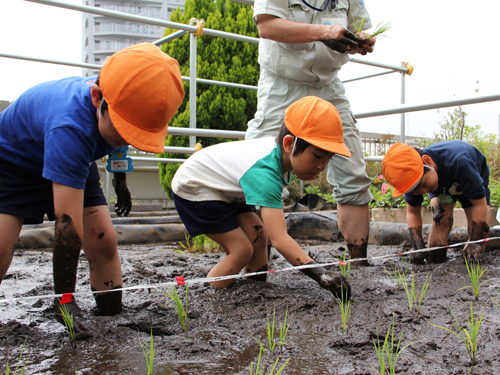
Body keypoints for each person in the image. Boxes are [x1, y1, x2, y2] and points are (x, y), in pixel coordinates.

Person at [0, 43, 184, 338]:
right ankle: (65, 306)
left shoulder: (117, 105)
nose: (128, 139)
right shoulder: (70, 127)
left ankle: (110, 314)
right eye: (125, 131)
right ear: (97, 98)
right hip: (13, 163)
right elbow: (67, 228)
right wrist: (65, 300)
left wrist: (120, 182)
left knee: (102, 238)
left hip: (76, 157)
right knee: (1, 249)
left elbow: (119, 142)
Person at [172, 96, 351, 299]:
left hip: (225, 190)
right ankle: (212, 296)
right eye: (317, 156)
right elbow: (281, 239)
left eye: (328, 158)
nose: (322, 166)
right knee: (241, 250)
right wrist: (321, 274)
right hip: (196, 187)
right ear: (290, 144)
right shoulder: (265, 173)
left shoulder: (276, 156)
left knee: (259, 236)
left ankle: (256, 289)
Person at [246, 0, 376, 262]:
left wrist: (363, 40)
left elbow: (362, 27)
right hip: (282, 84)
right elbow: (267, 25)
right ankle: (257, 268)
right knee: (258, 169)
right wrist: (325, 33)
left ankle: (359, 263)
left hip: (329, 84)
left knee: (352, 173)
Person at [382, 141, 490, 264]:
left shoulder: (459, 161)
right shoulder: (412, 179)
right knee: (441, 220)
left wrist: (474, 241)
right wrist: (418, 245)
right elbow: (413, 212)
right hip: (439, 185)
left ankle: (473, 267)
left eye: (422, 185)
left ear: (427, 162)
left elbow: (479, 204)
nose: (422, 191)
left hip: (469, 179)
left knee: (480, 233)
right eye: (415, 190)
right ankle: (436, 261)